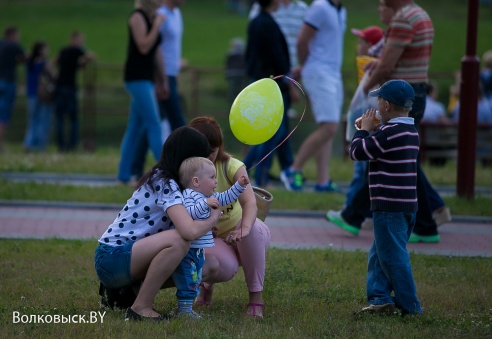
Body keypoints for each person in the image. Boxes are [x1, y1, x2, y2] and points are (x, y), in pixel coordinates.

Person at [328, 0, 450, 242]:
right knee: (406, 157)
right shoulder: (420, 14)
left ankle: (356, 215)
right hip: (414, 91)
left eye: (383, 2)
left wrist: (366, 89)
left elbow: (387, 65)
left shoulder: (403, 19)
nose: (379, 6)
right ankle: (428, 220)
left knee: (387, 153)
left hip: (399, 96)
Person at [95, 126, 222, 321]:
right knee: (180, 240)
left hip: (131, 257)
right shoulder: (165, 182)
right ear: (188, 158)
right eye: (201, 158)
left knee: (209, 266)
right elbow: (188, 231)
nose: (205, 163)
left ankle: (125, 291)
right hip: (111, 257)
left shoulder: (180, 186)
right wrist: (213, 218)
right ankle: (141, 307)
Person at [189, 116, 272, 319]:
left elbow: (250, 203)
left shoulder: (231, 166)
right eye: (203, 151)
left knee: (251, 232)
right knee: (224, 267)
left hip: (245, 232)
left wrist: (243, 227)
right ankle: (205, 286)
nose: (208, 156)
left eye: (213, 151)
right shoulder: (186, 172)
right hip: (212, 239)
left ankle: (255, 299)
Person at [351, 79, 422, 317]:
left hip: (388, 207)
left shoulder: (389, 133)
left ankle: (410, 307)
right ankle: (380, 298)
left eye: (379, 100)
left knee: (393, 258)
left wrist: (361, 131)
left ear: (387, 106)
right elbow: (381, 149)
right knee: (381, 253)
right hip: (406, 206)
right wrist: (372, 130)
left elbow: (358, 152)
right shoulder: (410, 131)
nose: (376, 104)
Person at [281, 0, 347, 192]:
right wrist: (307, 64)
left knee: (327, 127)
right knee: (329, 127)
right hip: (319, 73)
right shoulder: (320, 7)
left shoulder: (340, 10)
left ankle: (322, 181)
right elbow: (302, 40)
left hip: (334, 73)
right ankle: (293, 170)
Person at [174, 156, 249, 318]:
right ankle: (184, 311)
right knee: (189, 278)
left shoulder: (209, 196)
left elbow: (226, 197)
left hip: (199, 250)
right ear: (196, 181)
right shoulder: (189, 195)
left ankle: (187, 307)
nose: (216, 181)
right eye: (212, 177)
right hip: (188, 250)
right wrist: (206, 204)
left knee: (195, 278)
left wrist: (239, 186)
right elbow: (189, 213)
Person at [131, 0, 187, 181]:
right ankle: (183, 167)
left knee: (151, 122)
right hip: (161, 77)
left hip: (171, 75)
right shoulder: (160, 15)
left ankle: (136, 168)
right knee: (176, 121)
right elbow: (155, 48)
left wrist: (175, 70)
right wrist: (159, 78)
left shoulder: (176, 14)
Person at [243, 0, 294, 188]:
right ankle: (258, 174)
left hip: (258, 81)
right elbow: (278, 56)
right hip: (270, 84)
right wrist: (286, 81)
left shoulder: (256, 21)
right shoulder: (269, 24)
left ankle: (245, 170)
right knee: (272, 131)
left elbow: (250, 56)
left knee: (267, 131)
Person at [117, 0, 166, 184]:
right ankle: (166, 170)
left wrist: (163, 80)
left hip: (147, 79)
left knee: (135, 128)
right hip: (136, 78)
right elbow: (144, 46)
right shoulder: (137, 16)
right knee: (153, 123)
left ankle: (122, 176)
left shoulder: (153, 18)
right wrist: (158, 25)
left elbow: (156, 52)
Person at [54, 31, 95, 152]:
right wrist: (85, 58)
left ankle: (61, 146)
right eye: (81, 40)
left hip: (59, 86)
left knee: (60, 118)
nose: (82, 42)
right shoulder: (78, 51)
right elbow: (91, 56)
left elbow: (54, 62)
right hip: (70, 87)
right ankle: (72, 145)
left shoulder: (63, 51)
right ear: (75, 39)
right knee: (73, 119)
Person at [23, 41, 55, 152]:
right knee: (44, 120)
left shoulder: (29, 62)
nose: (47, 51)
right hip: (44, 95)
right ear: (41, 50)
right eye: (46, 49)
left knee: (32, 120)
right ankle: (41, 146)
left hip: (31, 94)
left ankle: (29, 143)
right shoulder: (44, 64)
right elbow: (52, 77)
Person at [0, 26, 25, 152]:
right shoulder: (14, 46)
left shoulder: (1, 44)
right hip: (8, 82)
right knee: (3, 114)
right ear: (12, 35)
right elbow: (27, 58)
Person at [225, 37, 247, 108]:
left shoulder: (230, 54)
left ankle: (231, 108)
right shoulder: (243, 54)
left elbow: (228, 65)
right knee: (240, 93)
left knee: (233, 93)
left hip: (233, 75)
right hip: (241, 75)